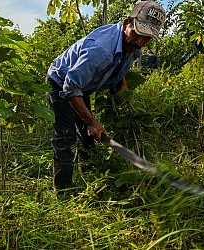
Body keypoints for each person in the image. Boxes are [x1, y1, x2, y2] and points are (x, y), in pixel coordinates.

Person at [46, 0, 166, 192]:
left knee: (87, 135)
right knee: (66, 135)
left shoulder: (133, 46)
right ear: (127, 23)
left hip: (80, 85)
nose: (140, 42)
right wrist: (92, 121)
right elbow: (70, 87)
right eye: (137, 34)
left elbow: (122, 63)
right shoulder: (101, 50)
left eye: (147, 38)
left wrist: (123, 86)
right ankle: (62, 193)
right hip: (61, 81)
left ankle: (91, 179)